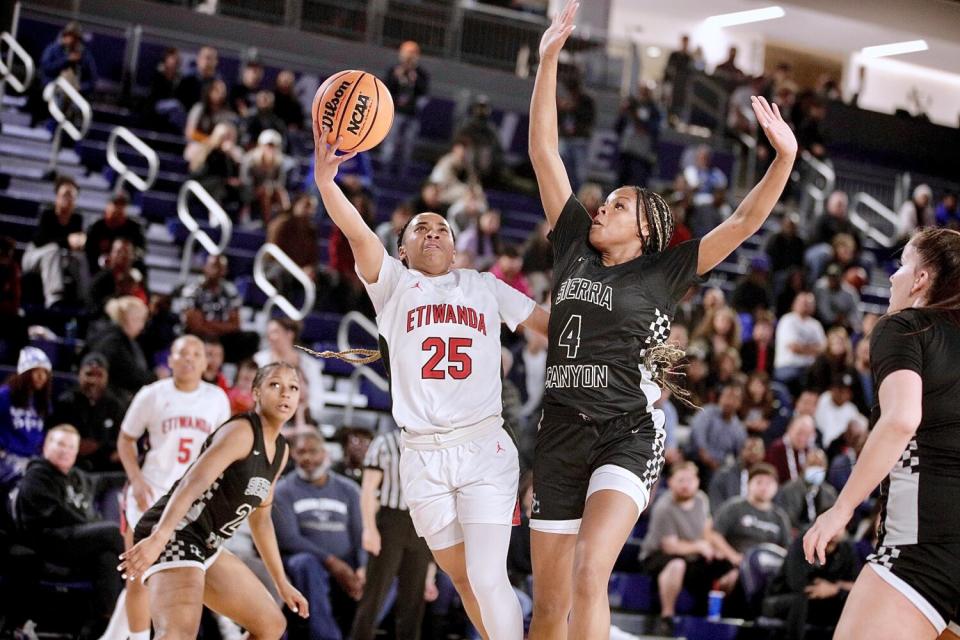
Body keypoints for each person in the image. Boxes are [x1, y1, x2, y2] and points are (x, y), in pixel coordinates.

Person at [526, 3, 797, 636]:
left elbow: (743, 223)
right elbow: (544, 150)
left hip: (627, 430)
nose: (601, 208)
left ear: (646, 227)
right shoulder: (571, 244)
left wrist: (781, 160)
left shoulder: (664, 270)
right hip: (562, 431)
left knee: (593, 572)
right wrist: (547, 61)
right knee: (548, 603)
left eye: (617, 205)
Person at [313, 119, 549, 640]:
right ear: (402, 250)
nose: (434, 232)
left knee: (488, 576)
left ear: (457, 246)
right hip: (420, 454)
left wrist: (610, 343)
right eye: (422, 227)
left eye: (442, 227)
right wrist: (327, 183)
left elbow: (546, 326)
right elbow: (355, 231)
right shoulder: (393, 286)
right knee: (462, 577)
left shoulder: (485, 286)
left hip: (484, 445)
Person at [804, 228, 960, 639]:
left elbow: (902, 420)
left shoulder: (904, 327)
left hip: (922, 553)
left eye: (902, 265)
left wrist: (841, 509)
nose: (892, 277)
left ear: (922, 279)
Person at [117, 362, 310, 638]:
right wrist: (159, 538)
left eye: (293, 388)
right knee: (177, 633)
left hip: (207, 543)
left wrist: (281, 583)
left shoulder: (281, 450)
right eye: (275, 385)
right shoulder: (241, 431)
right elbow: (191, 483)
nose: (285, 394)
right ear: (256, 392)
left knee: (271, 625)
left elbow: (261, 518)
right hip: (177, 532)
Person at [109, 335, 231, 640]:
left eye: (196, 354)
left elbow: (222, 451)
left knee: (188, 579)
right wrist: (135, 478)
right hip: (149, 492)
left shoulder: (217, 398)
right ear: (170, 359)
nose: (189, 359)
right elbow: (125, 439)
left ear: (206, 362)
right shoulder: (151, 394)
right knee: (137, 576)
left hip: (190, 501)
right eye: (182, 353)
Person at [16, 425, 124, 638]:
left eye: (71, 446)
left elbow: (109, 479)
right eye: (60, 444)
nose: (65, 450)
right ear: (46, 445)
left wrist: (139, 472)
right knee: (112, 532)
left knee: (107, 557)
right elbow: (56, 516)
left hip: (77, 543)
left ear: (76, 452)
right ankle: (140, 596)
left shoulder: (78, 476)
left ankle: (106, 625)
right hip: (49, 544)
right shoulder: (37, 476)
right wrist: (92, 527)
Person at [273, 429, 365, 639]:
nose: (307, 458)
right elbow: (289, 539)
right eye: (301, 452)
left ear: (325, 454)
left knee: (388, 575)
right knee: (305, 563)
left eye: (313, 451)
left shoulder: (349, 489)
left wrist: (363, 566)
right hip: (306, 562)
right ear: (293, 455)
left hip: (347, 560)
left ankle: (358, 633)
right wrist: (331, 561)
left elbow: (361, 534)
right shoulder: (283, 490)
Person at [351, 428, 433, 640]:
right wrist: (369, 529)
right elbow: (368, 489)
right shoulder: (385, 442)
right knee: (375, 595)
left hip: (421, 522)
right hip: (390, 521)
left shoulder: (436, 442)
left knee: (414, 602)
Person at [640, 462, 737, 634]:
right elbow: (669, 546)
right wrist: (699, 546)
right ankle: (667, 617)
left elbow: (706, 528)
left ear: (697, 481)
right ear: (670, 482)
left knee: (729, 570)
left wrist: (713, 548)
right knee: (677, 565)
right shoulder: (664, 507)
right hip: (657, 555)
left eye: (690, 480)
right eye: (681, 480)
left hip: (692, 556)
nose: (686, 485)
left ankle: (711, 615)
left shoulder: (701, 499)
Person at [764, 531, 858, 640]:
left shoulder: (847, 549)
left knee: (848, 604)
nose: (836, 531)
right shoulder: (803, 542)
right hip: (781, 599)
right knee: (801, 600)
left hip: (820, 604)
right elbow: (797, 585)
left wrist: (834, 588)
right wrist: (825, 589)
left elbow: (855, 585)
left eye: (841, 527)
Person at [175, 253, 260, 363]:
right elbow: (196, 326)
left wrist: (208, 323)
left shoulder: (230, 291)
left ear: (225, 271)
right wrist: (223, 325)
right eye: (213, 266)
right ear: (205, 268)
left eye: (221, 268)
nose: (216, 271)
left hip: (223, 338)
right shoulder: (192, 291)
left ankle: (242, 374)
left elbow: (236, 325)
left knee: (251, 338)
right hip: (198, 337)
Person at [49, 352, 126, 472]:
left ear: (107, 377)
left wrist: (99, 447)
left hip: (105, 467)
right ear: (79, 374)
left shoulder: (116, 406)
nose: (93, 381)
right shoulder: (65, 403)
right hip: (72, 464)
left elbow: (121, 440)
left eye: (99, 375)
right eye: (89, 374)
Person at [0, 347, 52, 486]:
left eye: (45, 372)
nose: (42, 376)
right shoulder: (5, 395)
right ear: (24, 373)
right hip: (8, 459)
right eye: (36, 371)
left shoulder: (42, 401)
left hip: (33, 459)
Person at [87, 296, 155, 398]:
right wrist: (156, 377)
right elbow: (131, 377)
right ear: (128, 319)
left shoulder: (114, 336)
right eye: (140, 319)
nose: (142, 326)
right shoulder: (114, 342)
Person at [381, 41, 430, 177]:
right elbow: (385, 90)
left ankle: (402, 174)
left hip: (412, 115)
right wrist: (396, 77)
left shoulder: (421, 74)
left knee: (407, 147)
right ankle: (385, 171)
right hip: (395, 113)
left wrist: (415, 80)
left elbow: (424, 95)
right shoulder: (394, 70)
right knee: (390, 144)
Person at [689, 382, 747, 481]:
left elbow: (740, 455)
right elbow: (697, 436)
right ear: (720, 398)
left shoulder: (739, 428)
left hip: (719, 467)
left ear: (740, 403)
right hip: (696, 459)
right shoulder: (707, 411)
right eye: (726, 396)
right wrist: (707, 458)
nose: (729, 401)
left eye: (734, 398)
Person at [773, 291, 826, 392]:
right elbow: (794, 348)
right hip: (788, 367)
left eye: (809, 303)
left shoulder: (816, 325)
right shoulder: (787, 320)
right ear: (794, 304)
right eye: (803, 303)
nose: (805, 306)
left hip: (810, 369)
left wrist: (803, 348)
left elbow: (823, 349)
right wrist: (813, 348)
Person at [774, 448, 837, 533]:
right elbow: (786, 519)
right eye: (812, 464)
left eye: (820, 465)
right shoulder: (789, 489)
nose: (816, 469)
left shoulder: (830, 493)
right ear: (804, 466)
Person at [85, 193, 145, 274]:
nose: (118, 209)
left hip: (126, 269)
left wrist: (125, 257)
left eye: (122, 205)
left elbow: (140, 251)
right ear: (107, 207)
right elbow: (89, 251)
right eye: (115, 204)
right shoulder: (97, 227)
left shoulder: (134, 228)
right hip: (99, 268)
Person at [708, 436, 766, 513]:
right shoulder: (723, 475)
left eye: (757, 450)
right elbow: (716, 503)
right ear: (741, 451)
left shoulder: (767, 478)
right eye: (749, 449)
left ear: (763, 454)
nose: (753, 453)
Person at [766, 414, 817, 485]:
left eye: (807, 435)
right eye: (799, 433)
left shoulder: (810, 451)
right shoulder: (777, 449)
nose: (802, 438)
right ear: (790, 429)